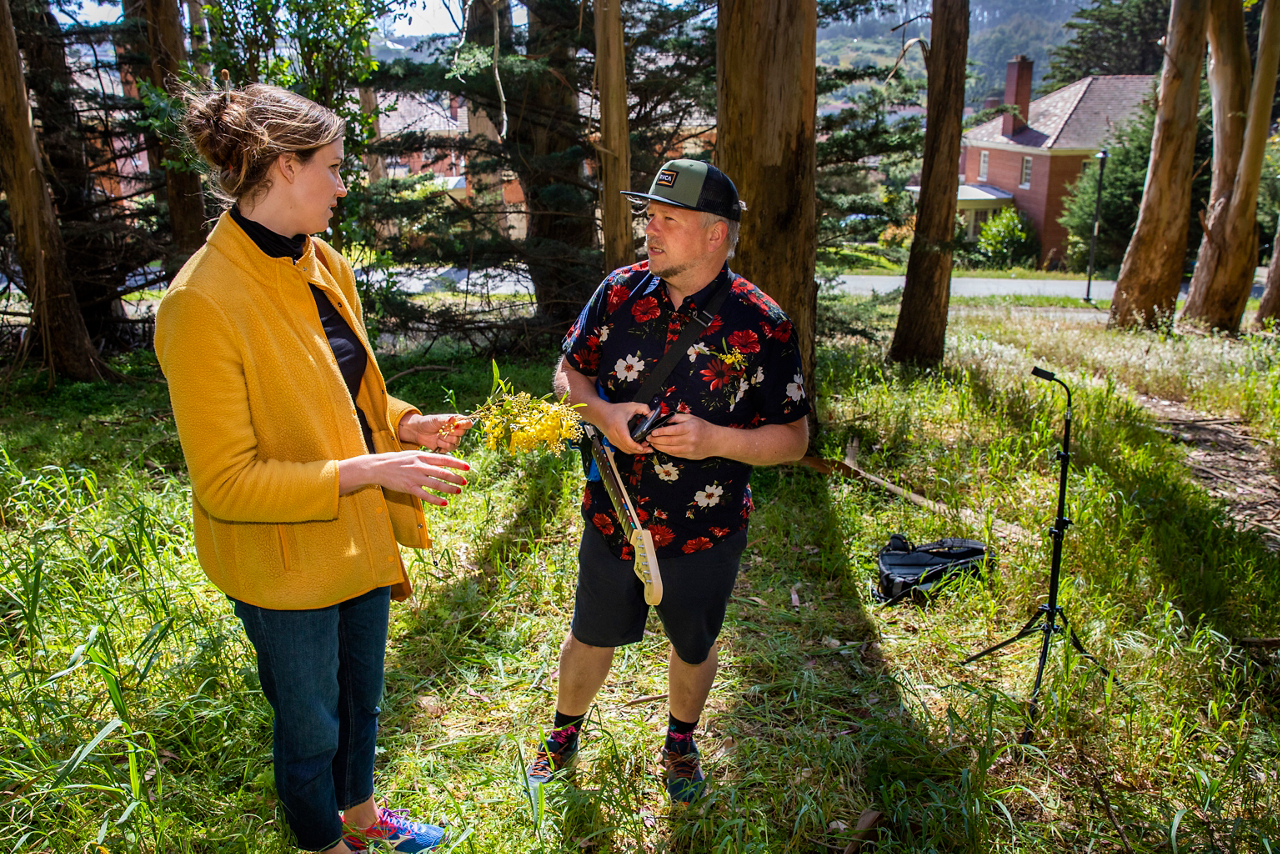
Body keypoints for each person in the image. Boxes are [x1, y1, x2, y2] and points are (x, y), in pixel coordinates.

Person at [155, 82, 470, 853]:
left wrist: (405, 424)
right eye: (331, 166)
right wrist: (369, 471)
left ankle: (360, 819)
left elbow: (348, 392)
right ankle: (321, 843)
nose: (342, 183)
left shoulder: (321, 260)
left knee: (361, 698)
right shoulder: (199, 302)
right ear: (282, 167)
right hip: (281, 557)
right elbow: (226, 485)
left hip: (358, 533)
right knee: (308, 724)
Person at [532, 159, 811, 803]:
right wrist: (600, 413)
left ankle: (681, 741)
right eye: (648, 217)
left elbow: (793, 439)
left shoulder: (762, 324)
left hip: (705, 528)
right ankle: (563, 732)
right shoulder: (619, 291)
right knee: (590, 633)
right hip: (615, 515)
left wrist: (715, 440)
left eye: (668, 220)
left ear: (716, 234)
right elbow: (570, 372)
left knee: (693, 643)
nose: (649, 231)